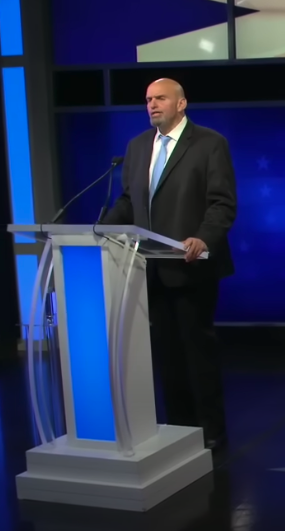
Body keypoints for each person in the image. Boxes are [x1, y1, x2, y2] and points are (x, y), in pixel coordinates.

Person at [103, 78, 236, 450]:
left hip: (192, 267)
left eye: (160, 98)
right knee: (167, 357)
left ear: (181, 104)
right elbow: (129, 202)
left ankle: (212, 434)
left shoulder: (210, 143)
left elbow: (222, 203)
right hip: (149, 268)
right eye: (147, 99)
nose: (152, 105)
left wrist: (203, 237)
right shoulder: (137, 146)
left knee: (197, 354)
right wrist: (100, 231)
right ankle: (180, 431)